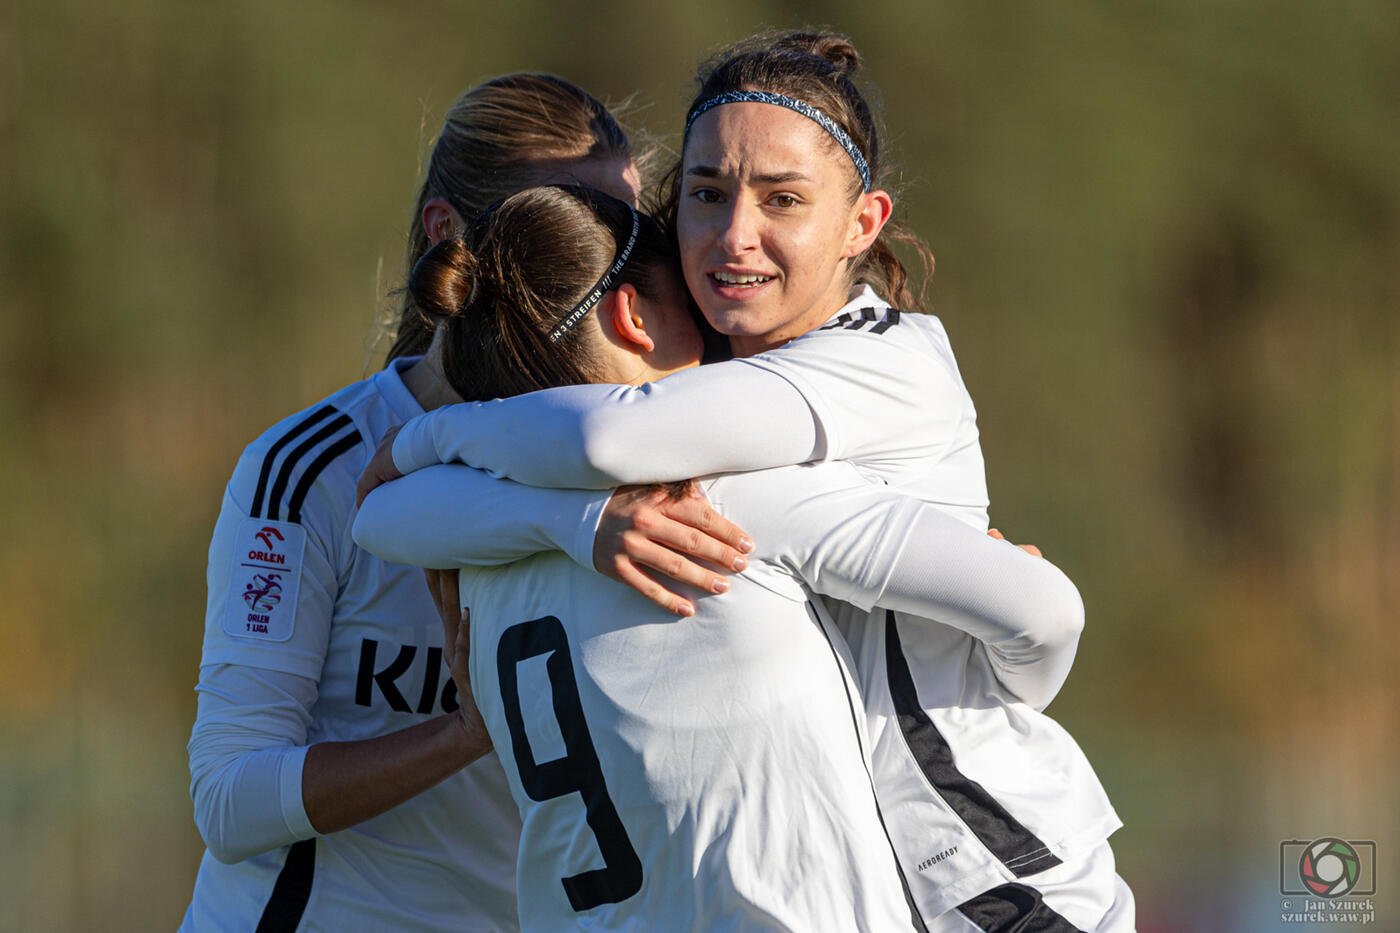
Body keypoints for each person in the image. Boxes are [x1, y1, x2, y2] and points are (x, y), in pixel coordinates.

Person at [359, 32, 1135, 932]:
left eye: (784, 199)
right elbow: (393, 518)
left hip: (992, 874)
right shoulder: (707, 390)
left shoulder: (881, 364)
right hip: (886, 888)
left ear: (863, 224)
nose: (735, 235)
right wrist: (576, 524)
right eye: (707, 194)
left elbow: (611, 436)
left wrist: (436, 431)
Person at [181, 74, 747, 933]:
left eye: (630, 233)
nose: (609, 269)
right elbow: (229, 801)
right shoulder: (311, 470)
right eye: (563, 227)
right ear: (451, 238)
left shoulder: (660, 463)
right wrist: (461, 732)